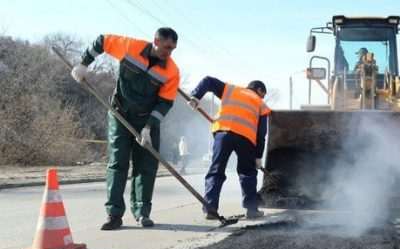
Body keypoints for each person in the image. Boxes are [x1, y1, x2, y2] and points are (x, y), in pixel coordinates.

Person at [71, 28, 180, 230]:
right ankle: (114, 215)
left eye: (173, 49)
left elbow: (165, 103)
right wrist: (83, 64)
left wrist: (148, 128)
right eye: (166, 47)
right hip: (119, 114)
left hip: (147, 121)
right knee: (117, 163)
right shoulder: (131, 47)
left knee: (146, 167)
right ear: (156, 41)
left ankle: (142, 213)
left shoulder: (171, 71)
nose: (169, 53)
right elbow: (102, 40)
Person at [188, 77, 270, 219]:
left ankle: (210, 209)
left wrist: (196, 96)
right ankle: (252, 210)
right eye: (263, 94)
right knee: (247, 173)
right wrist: (258, 156)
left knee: (216, 171)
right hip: (246, 138)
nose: (262, 97)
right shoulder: (261, 104)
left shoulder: (231, 90)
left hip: (223, 134)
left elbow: (208, 81)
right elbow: (261, 134)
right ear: (260, 90)